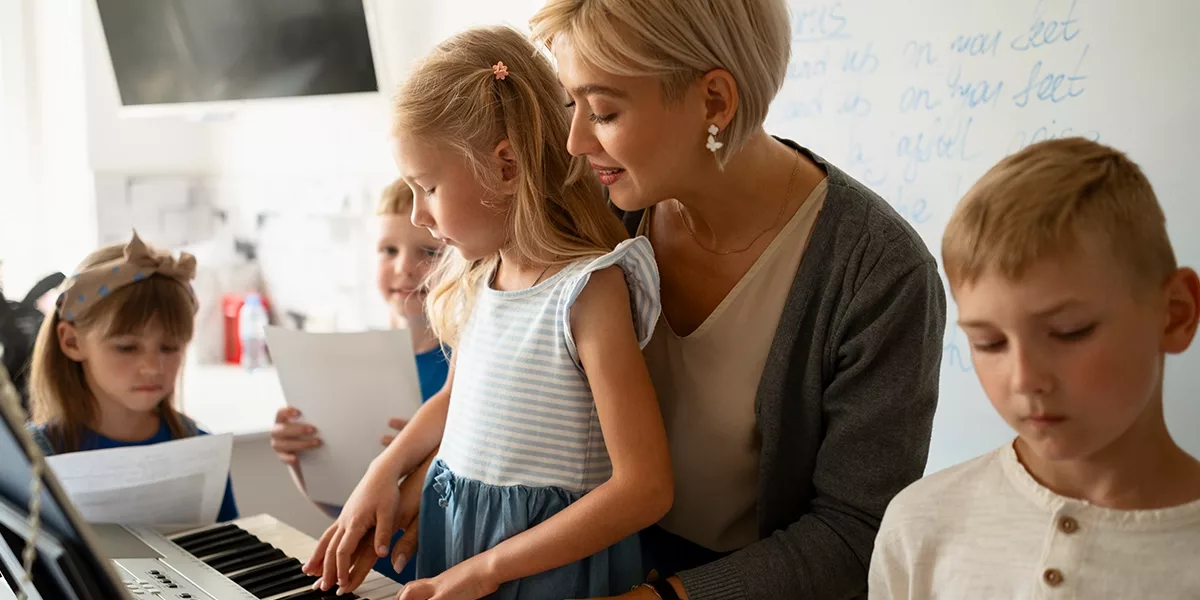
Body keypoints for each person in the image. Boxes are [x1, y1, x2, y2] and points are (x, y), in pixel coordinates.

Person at [528, 1, 946, 597]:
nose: (574, 142)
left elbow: (856, 532)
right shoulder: (595, 214)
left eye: (602, 111)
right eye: (573, 105)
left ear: (715, 101)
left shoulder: (877, 270)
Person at [303, 26, 673, 600]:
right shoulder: (481, 276)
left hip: (543, 571)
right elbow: (452, 399)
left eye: (426, 187)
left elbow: (645, 487)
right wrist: (384, 472)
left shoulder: (588, 291)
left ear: (505, 167)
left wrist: (488, 569)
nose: (421, 216)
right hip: (460, 554)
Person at [869, 138, 1200, 598]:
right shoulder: (920, 526)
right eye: (989, 343)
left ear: (1177, 313)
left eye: (1070, 332)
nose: (1024, 379)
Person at [269, 179, 450, 583]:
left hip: (435, 573)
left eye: (428, 252)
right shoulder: (355, 364)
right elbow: (345, 509)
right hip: (368, 576)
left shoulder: (462, 367)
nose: (403, 267)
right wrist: (307, 461)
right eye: (388, 250)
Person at [26, 232, 238, 522]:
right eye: (126, 347)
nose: (152, 367)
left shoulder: (200, 451)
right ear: (72, 342)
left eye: (170, 347)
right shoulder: (31, 457)